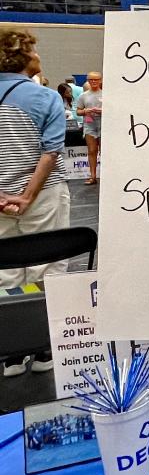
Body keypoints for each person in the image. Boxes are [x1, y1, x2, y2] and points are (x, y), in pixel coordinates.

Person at [0, 28, 70, 376]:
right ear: (24, 55)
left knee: (6, 271)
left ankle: (11, 353)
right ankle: (45, 350)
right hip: (42, 197)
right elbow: (50, 152)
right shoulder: (45, 98)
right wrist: (27, 195)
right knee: (48, 269)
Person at [75, 70, 102, 185]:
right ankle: (93, 176)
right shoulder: (83, 96)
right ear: (88, 81)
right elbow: (78, 111)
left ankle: (106, 176)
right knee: (92, 151)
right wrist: (86, 111)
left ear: (100, 81)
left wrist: (102, 111)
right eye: (91, 79)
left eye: (96, 79)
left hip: (103, 124)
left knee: (104, 151)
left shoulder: (107, 95)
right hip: (89, 124)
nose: (94, 81)